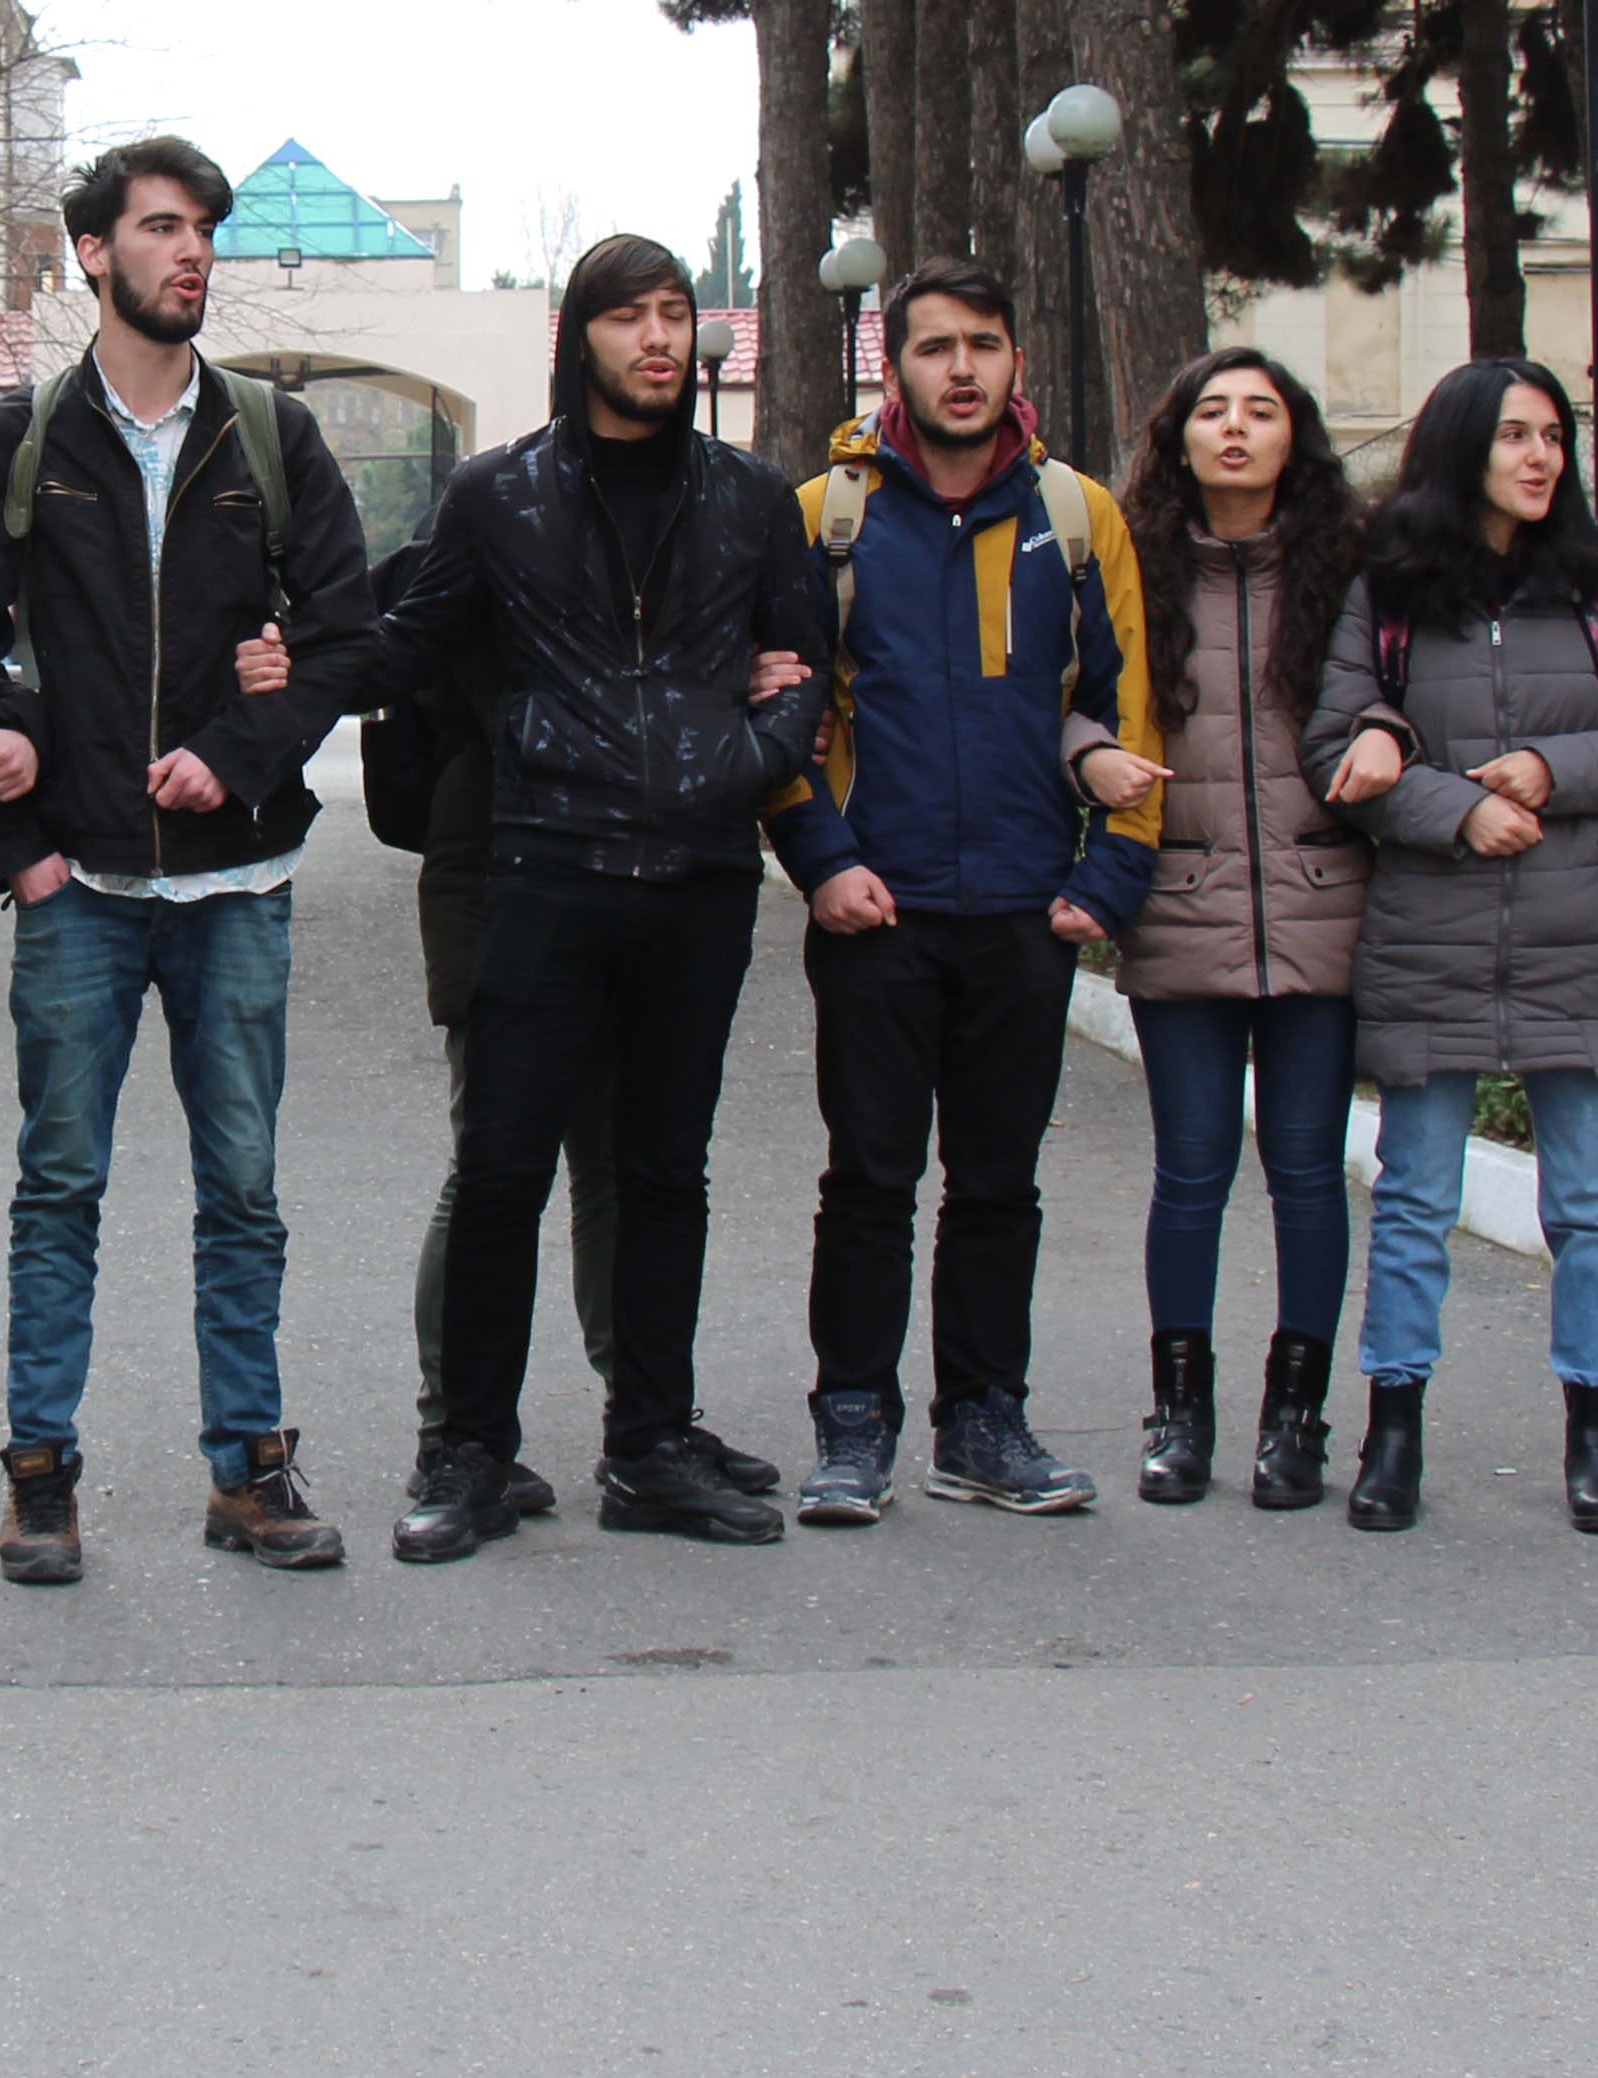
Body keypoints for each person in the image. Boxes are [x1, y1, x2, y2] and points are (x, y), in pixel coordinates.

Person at [0, 137, 380, 1584]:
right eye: (165, 230)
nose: (193, 256)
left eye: (205, 235)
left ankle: (249, 1469)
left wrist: (245, 749)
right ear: (95, 257)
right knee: (60, 1183)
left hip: (236, 886)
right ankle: (40, 1472)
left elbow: (355, 635)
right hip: (83, 894)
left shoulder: (268, 435)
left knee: (241, 1186)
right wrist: (21, 847)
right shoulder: (20, 440)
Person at [382, 235, 837, 1565]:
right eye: (628, 315)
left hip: (695, 887)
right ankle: (469, 1451)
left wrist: (745, 760)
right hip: (543, 872)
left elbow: (804, 661)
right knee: (503, 1170)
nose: (657, 338)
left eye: (675, 313)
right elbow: (410, 648)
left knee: (663, 1175)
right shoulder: (498, 496)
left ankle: (648, 1445)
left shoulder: (754, 500)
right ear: (577, 336)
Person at [759, 263, 1160, 1525]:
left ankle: (985, 1420)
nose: (962, 369)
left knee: (1000, 1184)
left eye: (984, 344)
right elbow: (784, 720)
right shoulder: (825, 517)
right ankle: (853, 1421)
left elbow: (1125, 702)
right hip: (876, 909)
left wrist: (1110, 874)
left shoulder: (1078, 514)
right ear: (896, 368)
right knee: (869, 1177)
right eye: (935, 347)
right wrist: (824, 865)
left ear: (1015, 366)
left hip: (1025, 914)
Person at [1308, 360, 1598, 1536]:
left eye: (1554, 437)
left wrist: (1550, 771)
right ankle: (1393, 1431)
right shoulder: (1386, 588)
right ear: (1462, 447)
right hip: (1431, 928)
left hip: (1577, 934)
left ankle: (1597, 1434)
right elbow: (1338, 751)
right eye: (1515, 437)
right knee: (1417, 1197)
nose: (1540, 458)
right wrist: (1457, 807)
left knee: (1590, 1203)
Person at [1107, 346, 1369, 1514]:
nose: (1234, 429)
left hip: (1325, 907)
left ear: (1293, 439)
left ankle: (1296, 1419)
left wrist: (1396, 738)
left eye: (1261, 411)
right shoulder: (1133, 562)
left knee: (1310, 1174)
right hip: (1180, 900)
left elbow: (1402, 695)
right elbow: (1072, 704)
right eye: (1211, 409)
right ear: (1179, 438)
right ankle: (1180, 1412)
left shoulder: (1353, 569)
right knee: (1192, 1173)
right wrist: (1085, 759)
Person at [380, 519, 616, 1521]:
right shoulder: (467, 569)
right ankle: (456, 1425)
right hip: (492, 895)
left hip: (605, 888)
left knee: (613, 1162)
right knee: (492, 1168)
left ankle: (642, 1408)